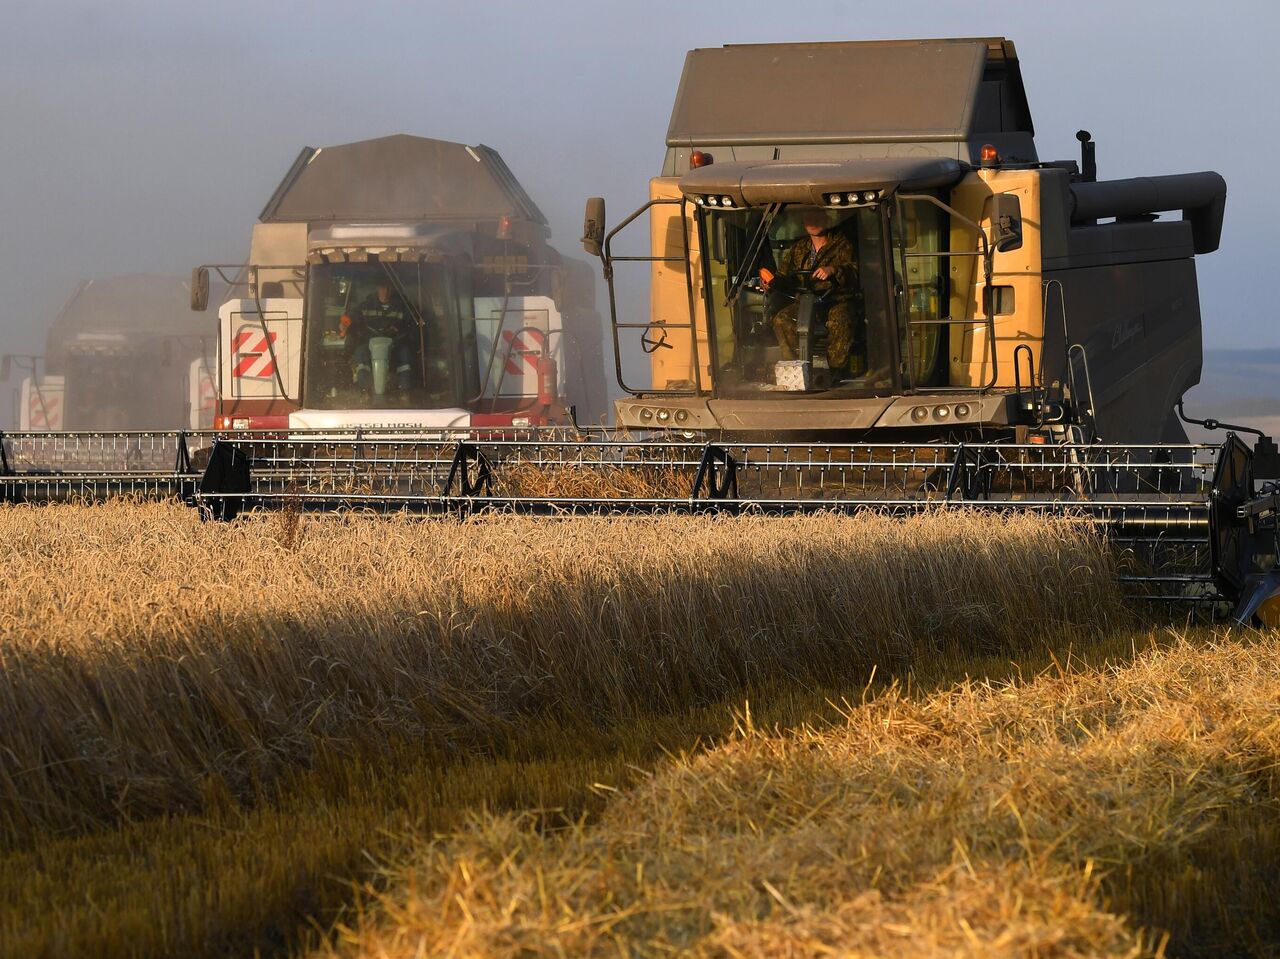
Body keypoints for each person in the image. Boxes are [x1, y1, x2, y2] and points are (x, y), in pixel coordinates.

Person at [762, 208, 862, 373]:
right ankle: (796, 371)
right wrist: (771, 283)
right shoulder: (799, 248)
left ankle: (836, 371)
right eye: (809, 218)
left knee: (841, 320)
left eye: (817, 217)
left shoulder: (842, 244)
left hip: (835, 300)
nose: (813, 222)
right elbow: (783, 276)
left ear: (827, 219)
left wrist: (833, 270)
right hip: (805, 302)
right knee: (782, 319)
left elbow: (854, 271)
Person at [342, 278, 415, 396]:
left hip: (396, 345)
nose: (385, 291)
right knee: (360, 353)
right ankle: (364, 392)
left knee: (405, 354)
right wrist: (345, 324)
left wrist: (403, 334)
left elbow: (412, 325)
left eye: (388, 288)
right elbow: (351, 319)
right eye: (382, 287)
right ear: (377, 289)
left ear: (392, 289)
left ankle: (404, 393)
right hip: (369, 345)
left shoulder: (403, 307)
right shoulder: (365, 306)